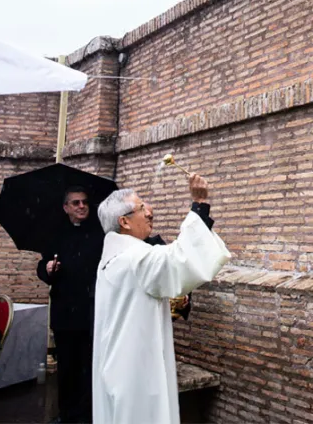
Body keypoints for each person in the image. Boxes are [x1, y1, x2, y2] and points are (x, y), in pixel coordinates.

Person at [93, 174, 230, 424]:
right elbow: (180, 260)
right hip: (135, 370)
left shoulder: (112, 258)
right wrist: (199, 204)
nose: (149, 211)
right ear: (123, 221)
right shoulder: (132, 259)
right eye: (141, 207)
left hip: (120, 365)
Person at [36, 186, 104, 423]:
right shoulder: (56, 235)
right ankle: (66, 415)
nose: (81, 206)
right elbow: (43, 265)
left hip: (92, 312)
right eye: (75, 203)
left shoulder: (100, 234)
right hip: (65, 313)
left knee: (89, 367)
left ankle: (87, 416)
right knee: (67, 368)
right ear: (66, 207)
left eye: (84, 202)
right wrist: (47, 269)